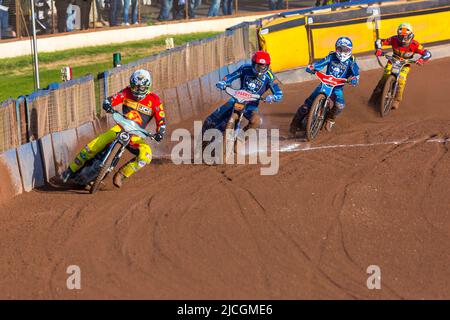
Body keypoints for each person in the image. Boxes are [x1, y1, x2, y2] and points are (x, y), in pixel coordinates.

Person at [61, 69, 167, 188]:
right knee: (94, 145)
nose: (137, 90)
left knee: (146, 156)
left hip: (137, 136)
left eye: (140, 88)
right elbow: (112, 99)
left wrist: (160, 132)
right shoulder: (127, 92)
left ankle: (121, 175)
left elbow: (161, 119)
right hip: (120, 128)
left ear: (147, 86)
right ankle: (69, 171)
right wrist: (108, 104)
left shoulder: (154, 100)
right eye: (134, 87)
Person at [290, 37, 359, 133]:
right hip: (324, 84)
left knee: (340, 105)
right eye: (340, 49)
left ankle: (330, 119)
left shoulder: (351, 62)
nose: (342, 52)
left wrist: (354, 79)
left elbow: (356, 75)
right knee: (307, 105)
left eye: (345, 50)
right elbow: (320, 63)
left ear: (349, 50)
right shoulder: (331, 56)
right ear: (336, 48)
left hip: (337, 88)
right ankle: (294, 123)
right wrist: (312, 67)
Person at [204, 51, 283, 132]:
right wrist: (223, 82)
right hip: (236, 99)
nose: (260, 70)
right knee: (210, 120)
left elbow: (279, 93)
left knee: (257, 121)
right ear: (253, 64)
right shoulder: (245, 69)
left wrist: (273, 97)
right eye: (258, 67)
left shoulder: (270, 77)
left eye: (264, 67)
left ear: (268, 66)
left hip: (251, 106)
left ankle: (241, 139)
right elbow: (231, 76)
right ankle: (204, 138)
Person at [369, 23, 431, 109]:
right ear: (398, 35)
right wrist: (379, 49)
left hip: (405, 64)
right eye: (401, 36)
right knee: (385, 75)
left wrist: (421, 59)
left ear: (411, 35)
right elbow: (379, 41)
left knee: (401, 80)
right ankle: (375, 95)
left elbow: (427, 53)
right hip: (393, 60)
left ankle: (397, 100)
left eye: (405, 37)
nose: (403, 39)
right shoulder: (394, 39)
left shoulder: (415, 44)